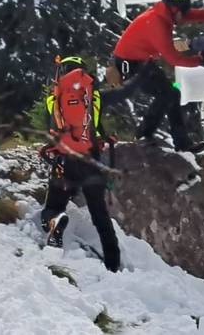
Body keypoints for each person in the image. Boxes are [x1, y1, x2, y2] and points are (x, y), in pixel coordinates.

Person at [39, 56, 134, 273]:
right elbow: (96, 127)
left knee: (53, 207)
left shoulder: (55, 96)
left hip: (64, 161)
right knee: (100, 215)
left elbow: (51, 130)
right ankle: (113, 264)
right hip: (90, 160)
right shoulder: (93, 94)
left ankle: (55, 228)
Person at [113, 0, 204, 153]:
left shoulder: (166, 14)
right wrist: (201, 61)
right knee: (166, 94)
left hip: (141, 60)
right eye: (182, 12)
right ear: (174, 9)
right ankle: (144, 135)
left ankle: (182, 143)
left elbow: (194, 14)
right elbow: (174, 59)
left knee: (172, 94)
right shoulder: (157, 24)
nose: (184, 15)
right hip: (127, 64)